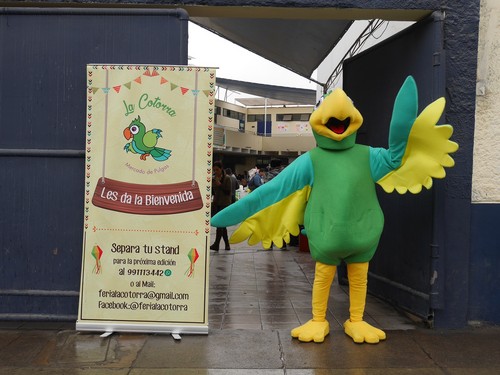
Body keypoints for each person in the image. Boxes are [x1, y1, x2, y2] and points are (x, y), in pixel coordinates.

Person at [210, 161, 232, 251]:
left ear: (221, 169)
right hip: (216, 203)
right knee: (222, 225)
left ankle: (217, 244)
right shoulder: (214, 178)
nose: (216, 171)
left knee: (220, 225)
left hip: (224, 204)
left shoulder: (227, 178)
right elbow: (213, 192)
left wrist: (220, 185)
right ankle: (226, 245)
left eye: (217, 170)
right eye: (214, 170)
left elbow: (228, 191)